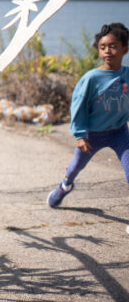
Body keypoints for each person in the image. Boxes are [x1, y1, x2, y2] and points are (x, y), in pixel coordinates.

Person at [47, 22, 129, 210]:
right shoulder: (92, 78)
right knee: (75, 167)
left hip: (120, 133)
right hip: (92, 134)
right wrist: (80, 135)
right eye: (103, 47)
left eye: (113, 46)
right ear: (98, 51)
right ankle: (64, 186)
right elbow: (79, 106)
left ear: (125, 49)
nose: (107, 50)